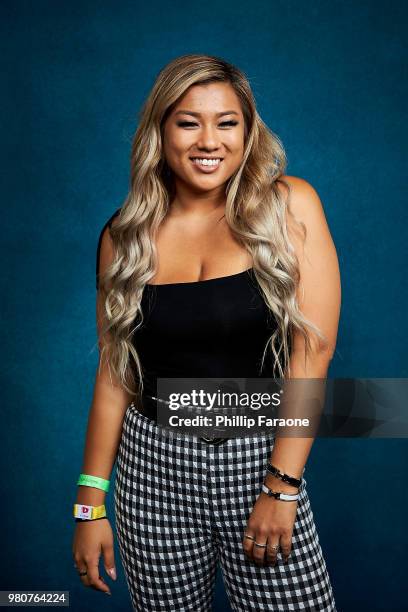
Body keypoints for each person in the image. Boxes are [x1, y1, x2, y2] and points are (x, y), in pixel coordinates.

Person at [72, 54, 340, 611]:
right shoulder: (123, 238)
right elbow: (114, 374)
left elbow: (312, 350)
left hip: (257, 458)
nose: (208, 141)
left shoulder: (290, 206)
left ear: (248, 133)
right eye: (188, 122)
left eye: (227, 122)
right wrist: (90, 505)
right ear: (161, 131)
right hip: (151, 472)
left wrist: (280, 486)